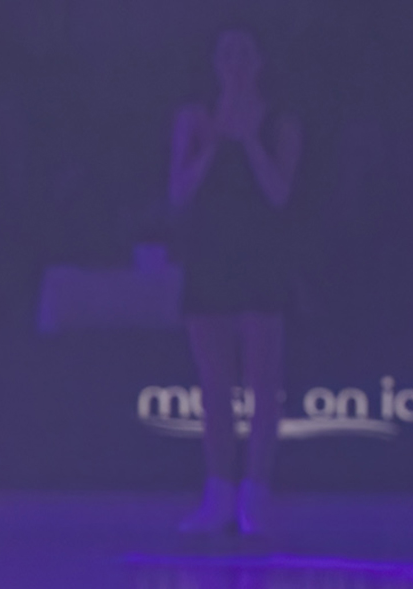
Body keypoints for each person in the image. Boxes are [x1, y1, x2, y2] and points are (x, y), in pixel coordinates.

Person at [169, 29, 302, 534]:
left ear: (261, 61)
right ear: (214, 62)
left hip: (261, 261)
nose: (236, 63)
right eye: (227, 54)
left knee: (264, 387)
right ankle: (218, 494)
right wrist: (213, 143)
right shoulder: (193, 119)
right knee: (215, 388)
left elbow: (279, 194)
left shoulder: (280, 123)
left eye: (245, 53)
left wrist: (246, 140)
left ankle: (256, 494)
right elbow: (178, 193)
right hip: (209, 261)